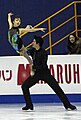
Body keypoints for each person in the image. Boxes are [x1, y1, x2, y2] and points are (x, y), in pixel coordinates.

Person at [21, 35, 77, 111]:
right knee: (24, 86)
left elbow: (43, 66)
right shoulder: (33, 51)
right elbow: (25, 51)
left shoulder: (43, 53)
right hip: (37, 74)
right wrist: (20, 49)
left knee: (57, 88)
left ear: (38, 43)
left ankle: (67, 105)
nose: (32, 43)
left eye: (34, 41)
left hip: (45, 73)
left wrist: (33, 68)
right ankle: (29, 105)